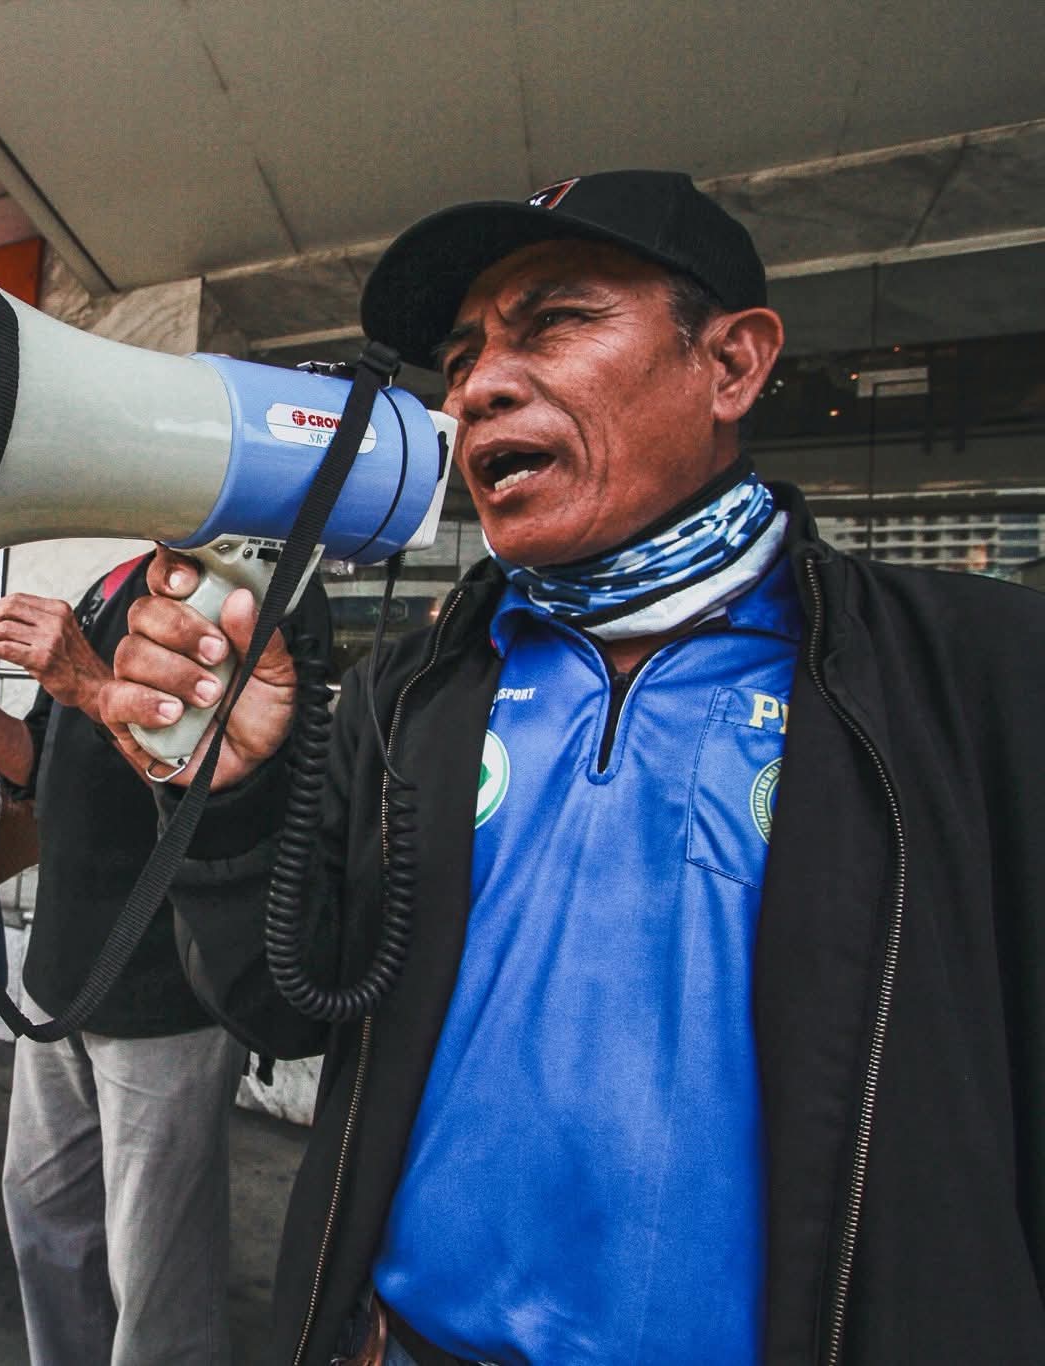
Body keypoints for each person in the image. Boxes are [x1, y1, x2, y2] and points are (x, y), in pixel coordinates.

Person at [102, 171, 1045, 1365]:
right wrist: (231, 808)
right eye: (462, 354)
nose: (479, 384)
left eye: (552, 322)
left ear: (732, 365)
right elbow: (288, 1005)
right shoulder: (413, 691)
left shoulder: (969, 679)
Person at [0, 563, 290, 1366]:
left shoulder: (257, 591)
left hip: (166, 982)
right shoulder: (106, 589)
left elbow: (223, 777)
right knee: (42, 1213)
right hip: (60, 977)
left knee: (155, 1262)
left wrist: (93, 685)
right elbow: (37, 764)